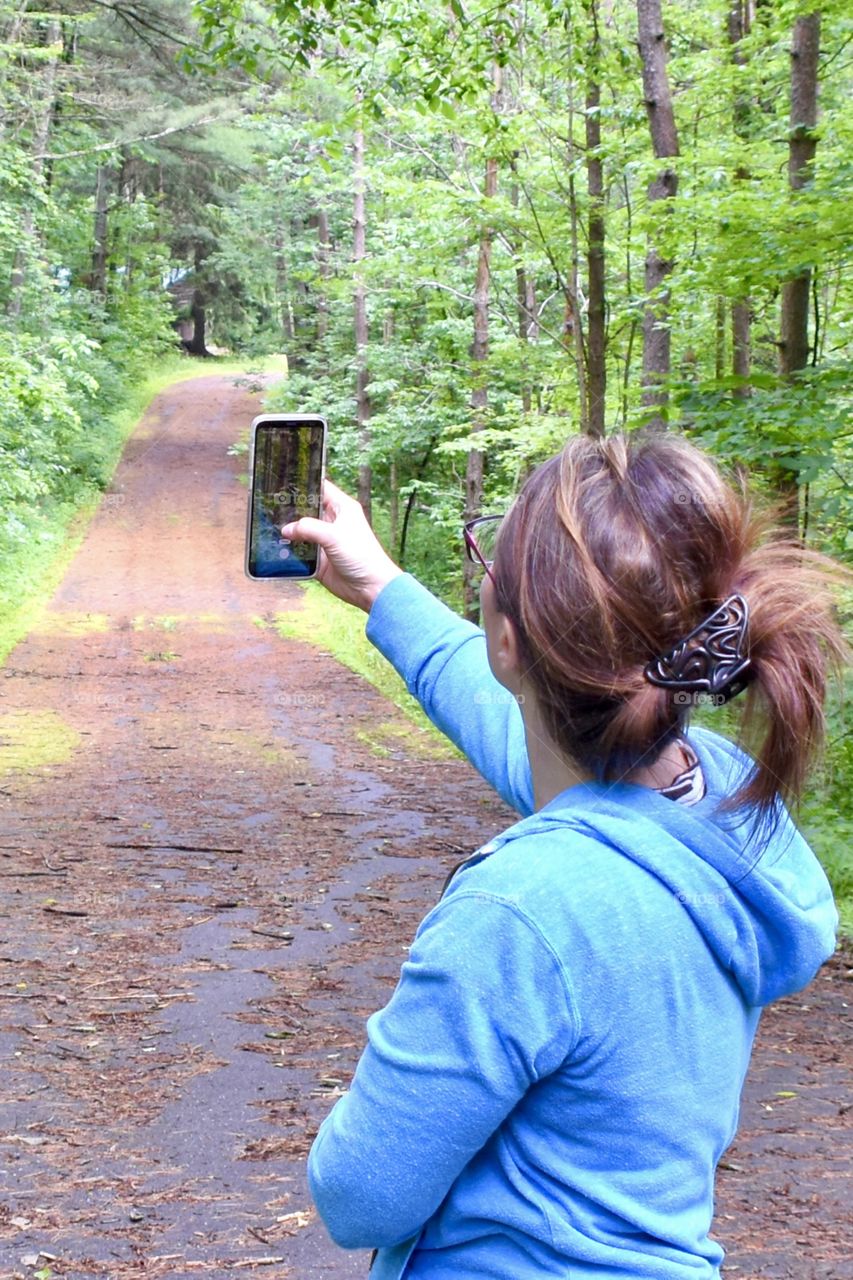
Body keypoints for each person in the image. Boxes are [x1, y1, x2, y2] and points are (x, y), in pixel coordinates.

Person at [280, 431, 845, 1279]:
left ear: (507, 640)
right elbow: (519, 730)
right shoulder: (722, 805)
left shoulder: (518, 911)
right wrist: (382, 589)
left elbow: (363, 1196)